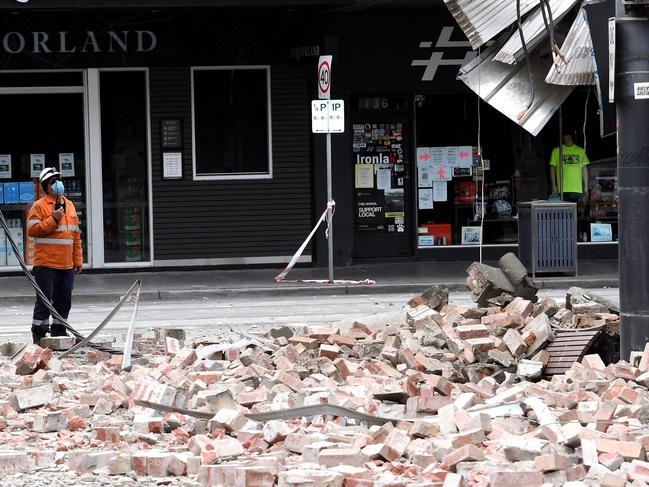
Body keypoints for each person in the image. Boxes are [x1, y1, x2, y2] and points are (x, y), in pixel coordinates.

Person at [27, 167, 83, 344]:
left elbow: (75, 235)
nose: (57, 183)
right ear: (46, 185)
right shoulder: (39, 206)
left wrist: (78, 259)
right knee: (44, 302)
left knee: (64, 301)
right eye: (53, 181)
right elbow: (32, 230)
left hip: (66, 265)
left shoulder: (70, 205)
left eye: (58, 179)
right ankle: (40, 334)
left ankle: (59, 331)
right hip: (46, 264)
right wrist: (53, 219)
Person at [549, 131, 590, 202]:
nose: (563, 137)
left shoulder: (580, 151)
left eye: (565, 135)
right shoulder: (556, 151)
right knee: (563, 211)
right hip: (562, 188)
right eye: (563, 135)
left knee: (575, 211)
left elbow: (584, 168)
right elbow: (552, 168)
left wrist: (586, 187)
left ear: (570, 136)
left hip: (577, 188)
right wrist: (553, 185)